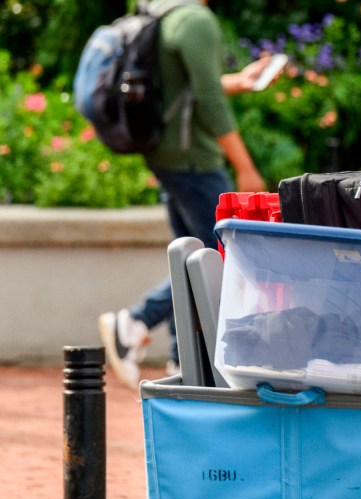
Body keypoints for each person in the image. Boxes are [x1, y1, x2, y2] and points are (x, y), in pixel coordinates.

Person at [98, 0, 275, 389]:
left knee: (190, 251)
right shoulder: (196, 19)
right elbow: (209, 101)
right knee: (224, 256)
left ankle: (181, 359)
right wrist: (245, 166)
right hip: (193, 159)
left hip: (165, 154)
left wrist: (239, 81)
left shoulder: (162, 12)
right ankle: (136, 320)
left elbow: (183, 85)